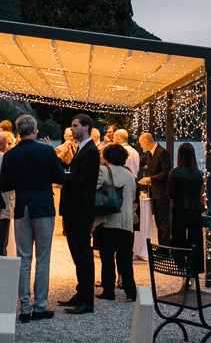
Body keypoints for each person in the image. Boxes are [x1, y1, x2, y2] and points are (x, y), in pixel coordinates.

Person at [0, 114, 66, 323]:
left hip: (21, 208)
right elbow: (61, 178)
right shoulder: (46, 151)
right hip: (43, 207)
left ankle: (24, 307)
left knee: (24, 258)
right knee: (43, 259)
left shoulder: (11, 155)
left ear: (18, 132)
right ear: (35, 130)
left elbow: (4, 186)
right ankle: (40, 306)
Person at [57, 114, 100, 315]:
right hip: (74, 210)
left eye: (75, 126)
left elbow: (84, 180)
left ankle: (86, 301)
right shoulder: (82, 148)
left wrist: (63, 176)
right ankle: (80, 293)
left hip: (80, 210)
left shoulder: (91, 151)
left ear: (86, 127)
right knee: (77, 255)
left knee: (83, 255)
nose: (72, 129)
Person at [94, 143, 138, 302]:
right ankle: (130, 291)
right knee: (125, 258)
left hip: (108, 220)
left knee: (107, 258)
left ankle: (108, 290)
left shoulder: (104, 171)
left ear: (106, 156)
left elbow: (94, 190)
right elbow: (133, 198)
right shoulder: (131, 175)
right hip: (126, 223)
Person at [168, 142, 205, 274]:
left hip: (180, 210)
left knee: (178, 241)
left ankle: (181, 269)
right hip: (195, 211)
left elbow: (170, 194)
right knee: (196, 242)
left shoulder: (175, 173)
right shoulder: (198, 173)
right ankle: (194, 270)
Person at [137, 132, 171, 244]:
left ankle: (165, 250)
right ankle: (162, 247)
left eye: (141, 144)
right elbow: (139, 162)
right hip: (155, 193)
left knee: (163, 222)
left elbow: (166, 173)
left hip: (163, 193)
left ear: (147, 141)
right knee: (157, 221)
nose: (141, 146)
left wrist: (150, 179)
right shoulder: (148, 154)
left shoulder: (162, 153)